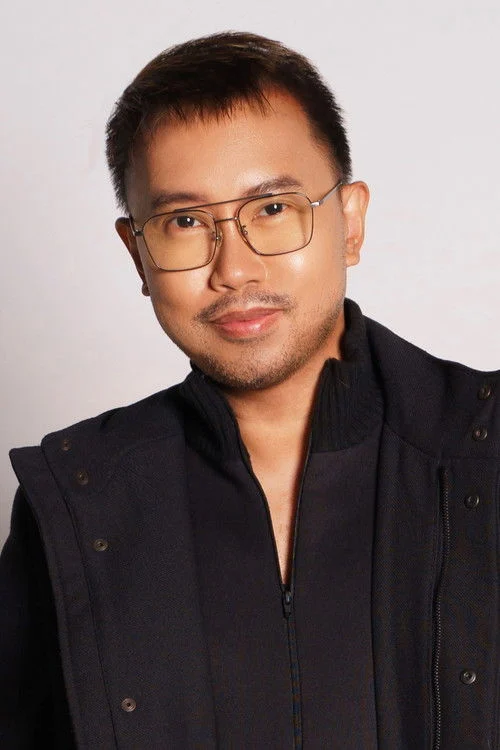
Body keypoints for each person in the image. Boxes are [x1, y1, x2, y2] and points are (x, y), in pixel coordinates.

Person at [1, 30, 499, 750]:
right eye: (183, 222)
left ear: (349, 222)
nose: (233, 269)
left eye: (272, 209)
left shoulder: (481, 449)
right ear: (137, 255)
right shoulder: (76, 502)